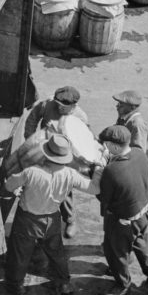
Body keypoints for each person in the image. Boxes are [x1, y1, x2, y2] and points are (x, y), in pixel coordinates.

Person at [4, 133, 101, 295]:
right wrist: (98, 171)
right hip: (52, 219)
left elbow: (8, 185)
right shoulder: (70, 174)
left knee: (20, 254)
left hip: (27, 221)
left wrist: (16, 188)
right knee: (56, 253)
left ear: (45, 153)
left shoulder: (31, 172)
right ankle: (64, 283)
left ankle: (16, 286)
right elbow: (94, 189)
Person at [97, 125, 148, 295]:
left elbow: (104, 198)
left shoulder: (112, 170)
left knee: (115, 251)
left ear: (116, 147)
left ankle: (122, 284)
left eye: (107, 144)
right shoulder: (139, 153)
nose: (105, 147)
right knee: (140, 241)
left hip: (123, 221)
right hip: (144, 212)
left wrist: (98, 172)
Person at [23, 86, 88, 238]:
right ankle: (35, 218)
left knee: (64, 189)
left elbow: (83, 142)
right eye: (57, 105)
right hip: (43, 151)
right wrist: (30, 139)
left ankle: (70, 220)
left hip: (65, 158)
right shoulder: (46, 104)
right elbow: (32, 119)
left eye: (63, 107)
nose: (59, 108)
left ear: (73, 106)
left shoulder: (80, 117)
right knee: (36, 184)